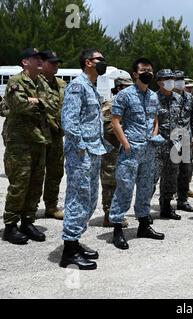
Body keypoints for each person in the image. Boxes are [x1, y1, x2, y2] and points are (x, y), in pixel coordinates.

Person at [59, 48, 111, 270]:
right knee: (78, 200)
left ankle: (75, 241)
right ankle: (68, 252)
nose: (103, 63)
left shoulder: (92, 86)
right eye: (100, 59)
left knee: (90, 199)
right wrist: (81, 148)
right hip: (81, 153)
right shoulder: (78, 86)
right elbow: (69, 121)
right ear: (89, 62)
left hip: (93, 151)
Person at [109, 58, 165, 250]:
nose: (147, 73)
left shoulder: (153, 96)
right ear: (135, 74)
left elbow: (155, 118)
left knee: (146, 188)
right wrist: (125, 144)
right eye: (143, 70)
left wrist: (155, 134)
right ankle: (117, 228)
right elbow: (115, 122)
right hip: (130, 151)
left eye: (150, 70)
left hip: (149, 151)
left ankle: (143, 224)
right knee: (124, 187)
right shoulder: (124, 95)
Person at [2, 48, 50, 245]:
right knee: (19, 184)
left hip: (40, 139)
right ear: (25, 62)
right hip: (19, 141)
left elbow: (51, 104)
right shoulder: (15, 82)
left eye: (41, 58)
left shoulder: (43, 82)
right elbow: (19, 105)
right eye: (35, 58)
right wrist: (38, 102)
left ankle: (28, 221)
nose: (40, 61)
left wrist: (36, 101)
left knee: (36, 183)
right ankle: (11, 225)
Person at [101, 76, 134, 228]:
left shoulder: (131, 104)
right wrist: (126, 131)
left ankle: (117, 212)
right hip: (112, 149)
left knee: (124, 182)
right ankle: (108, 215)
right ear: (119, 88)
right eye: (126, 87)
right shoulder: (110, 104)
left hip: (125, 149)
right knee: (110, 181)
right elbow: (109, 127)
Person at [39, 51, 66, 220]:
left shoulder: (62, 84)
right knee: (34, 173)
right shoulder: (34, 82)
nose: (56, 65)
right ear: (43, 64)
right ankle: (27, 209)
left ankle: (51, 206)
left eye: (57, 62)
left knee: (55, 172)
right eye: (53, 62)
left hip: (56, 136)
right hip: (37, 135)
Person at [155, 69, 184, 220]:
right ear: (159, 81)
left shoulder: (178, 98)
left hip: (174, 145)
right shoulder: (152, 98)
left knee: (171, 178)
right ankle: (144, 211)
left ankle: (166, 207)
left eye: (172, 78)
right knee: (151, 179)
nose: (171, 81)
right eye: (167, 78)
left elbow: (181, 120)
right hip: (157, 146)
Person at [173, 70, 193, 212]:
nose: (180, 81)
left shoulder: (189, 98)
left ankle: (182, 200)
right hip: (169, 142)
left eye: (182, 79)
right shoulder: (165, 96)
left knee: (185, 172)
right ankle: (165, 201)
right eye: (177, 79)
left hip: (186, 141)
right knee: (168, 172)